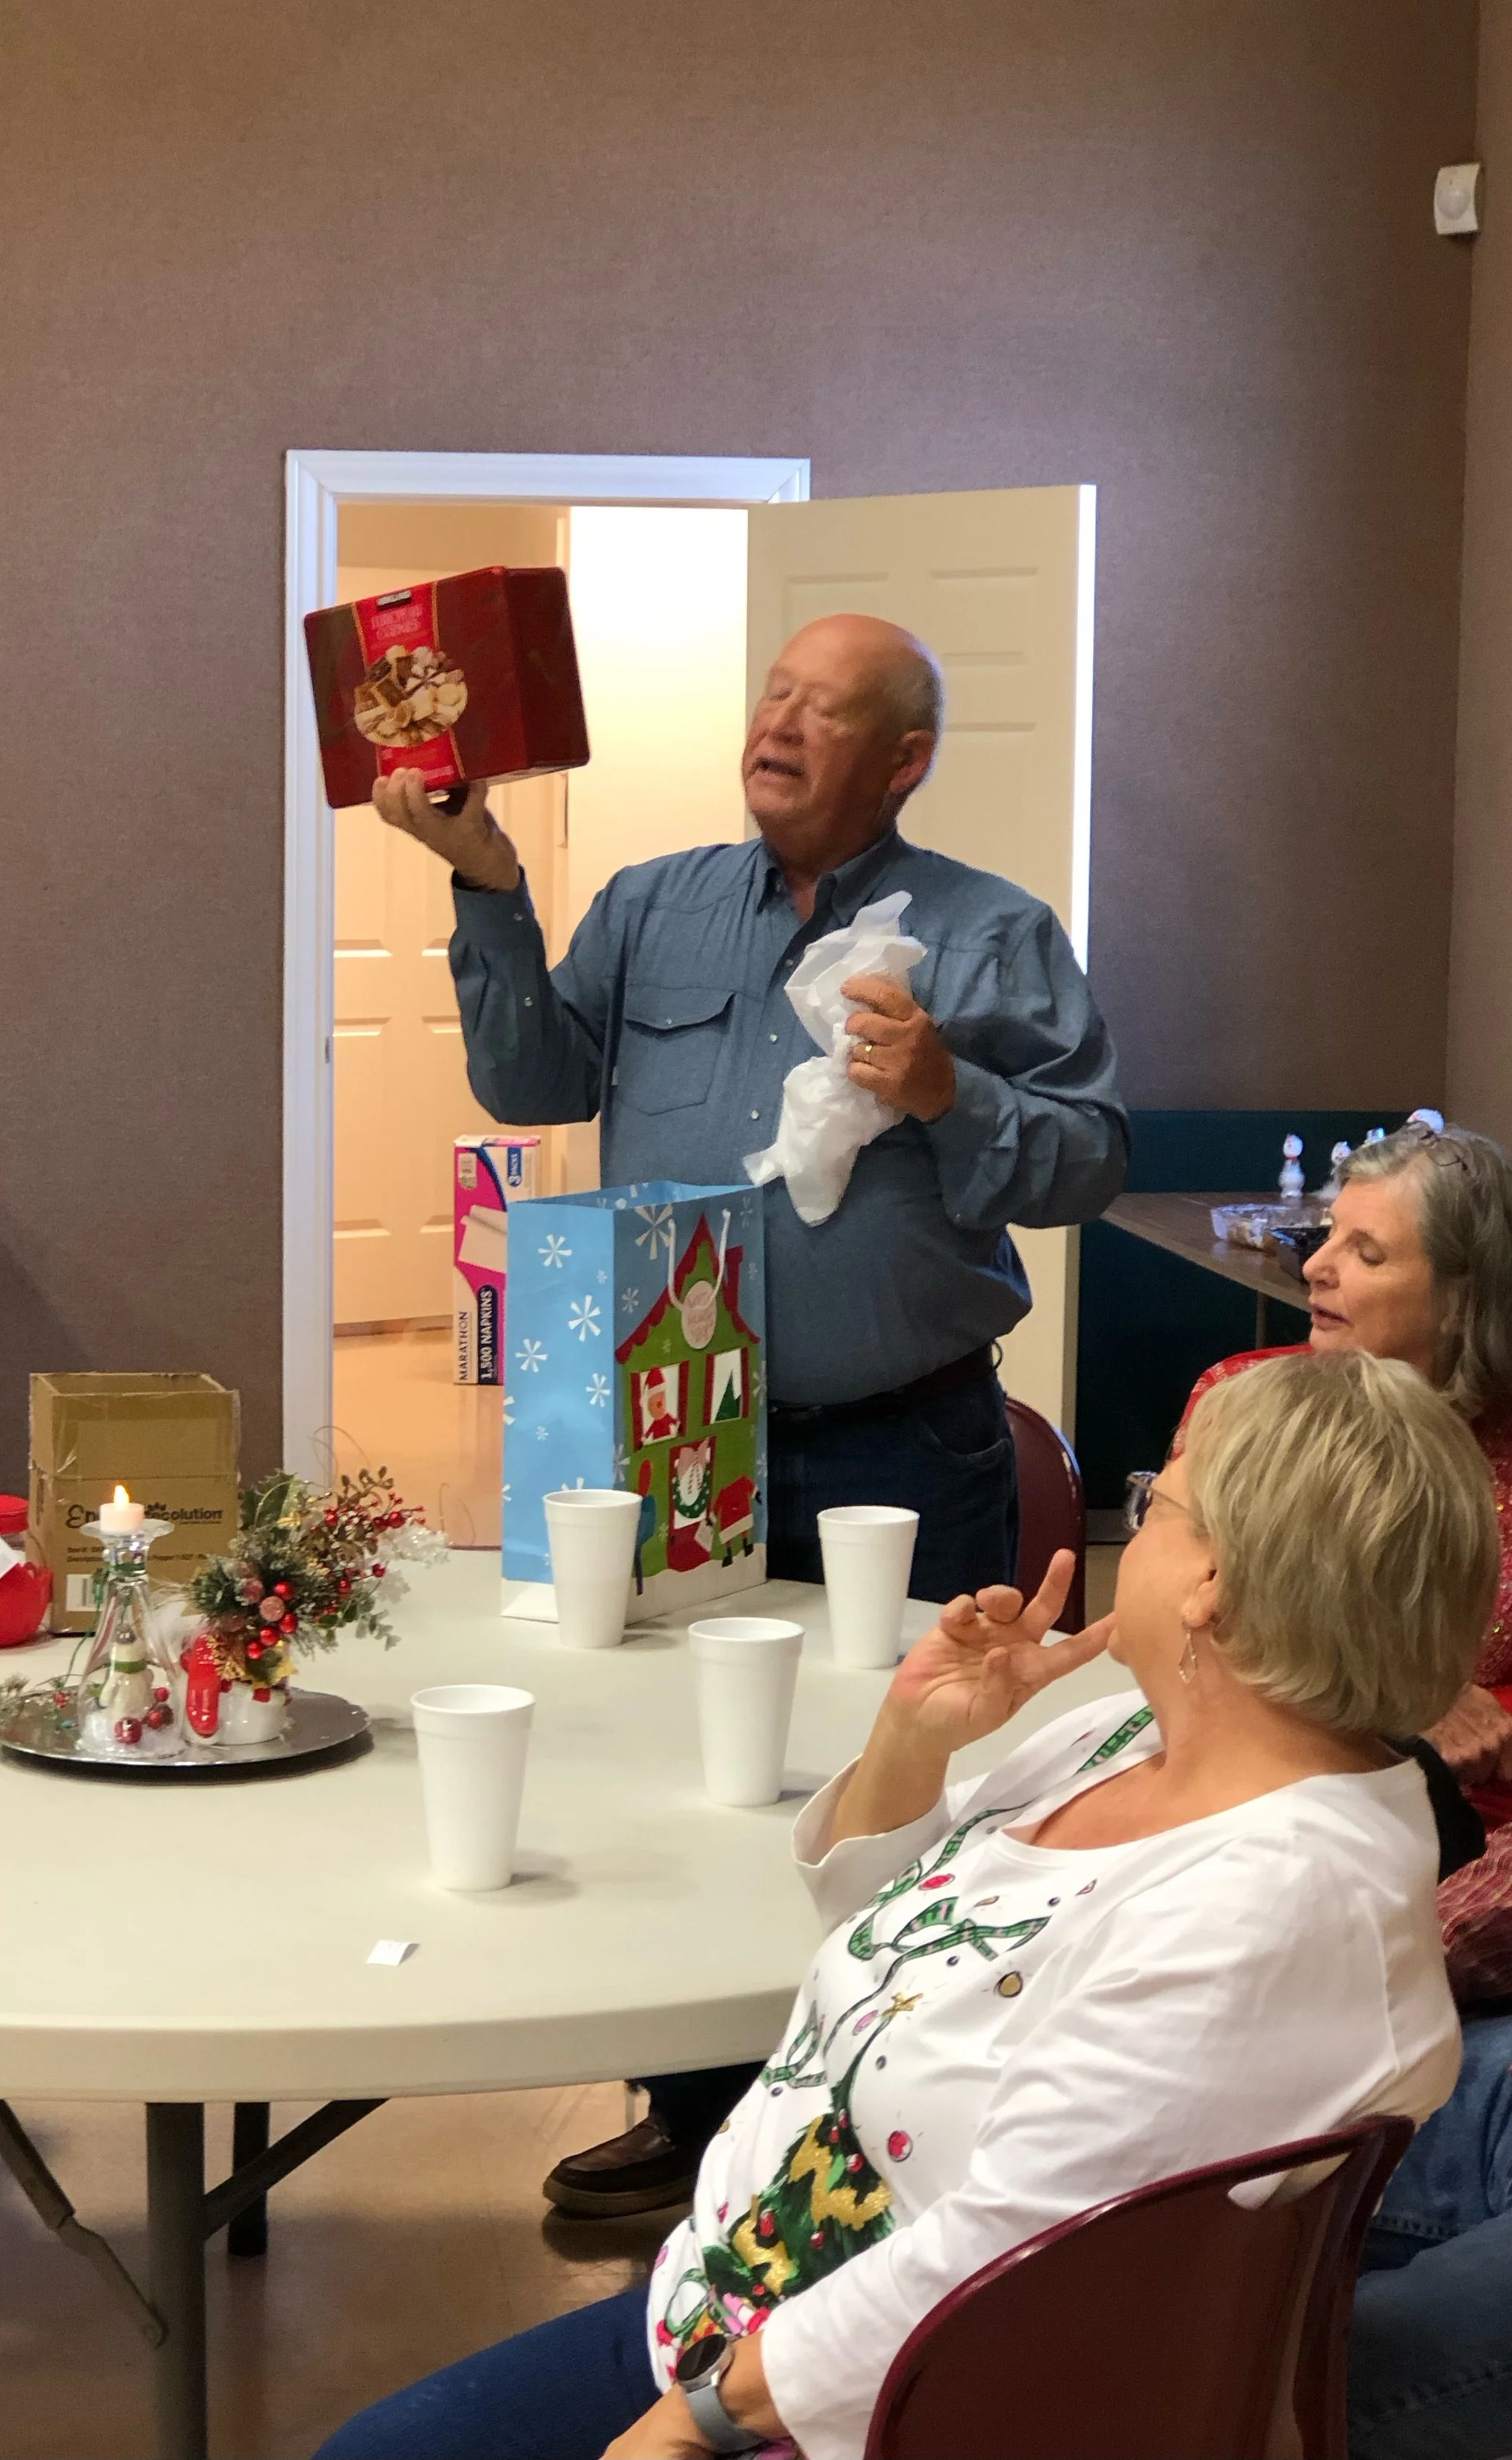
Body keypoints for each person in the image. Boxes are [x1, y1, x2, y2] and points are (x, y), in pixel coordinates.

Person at [315, 1351, 1496, 2460]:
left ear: (1212, 1586)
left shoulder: (1274, 1902)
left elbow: (1010, 2258)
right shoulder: (1132, 1736)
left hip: (875, 2401)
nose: (1131, 1526)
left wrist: (700, 2423)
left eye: (1158, 1503)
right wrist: (915, 1740)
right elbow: (887, 1932)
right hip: (746, 2295)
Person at [376, 612, 1129, 2214]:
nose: (773, 726)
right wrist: (489, 883)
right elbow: (531, 1084)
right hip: (666, 1438)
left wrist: (947, 1088)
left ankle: (881, 2132)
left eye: (822, 709)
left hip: (902, 1443)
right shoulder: (652, 905)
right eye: (768, 697)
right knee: (675, 1770)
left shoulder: (990, 937)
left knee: (904, 1780)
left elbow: (1089, 1162)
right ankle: (699, 2118)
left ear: (901, 758)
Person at [1176, 1120, 1512, 2460]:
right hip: (1258, 1924)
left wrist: (1407, 1955)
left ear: (1466, 1298)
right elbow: (1195, 1657)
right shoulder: (1249, 1406)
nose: (1317, 1265)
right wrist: (1397, 1684)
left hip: (1446, 1960)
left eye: (1365, 1251)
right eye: (1327, 1235)